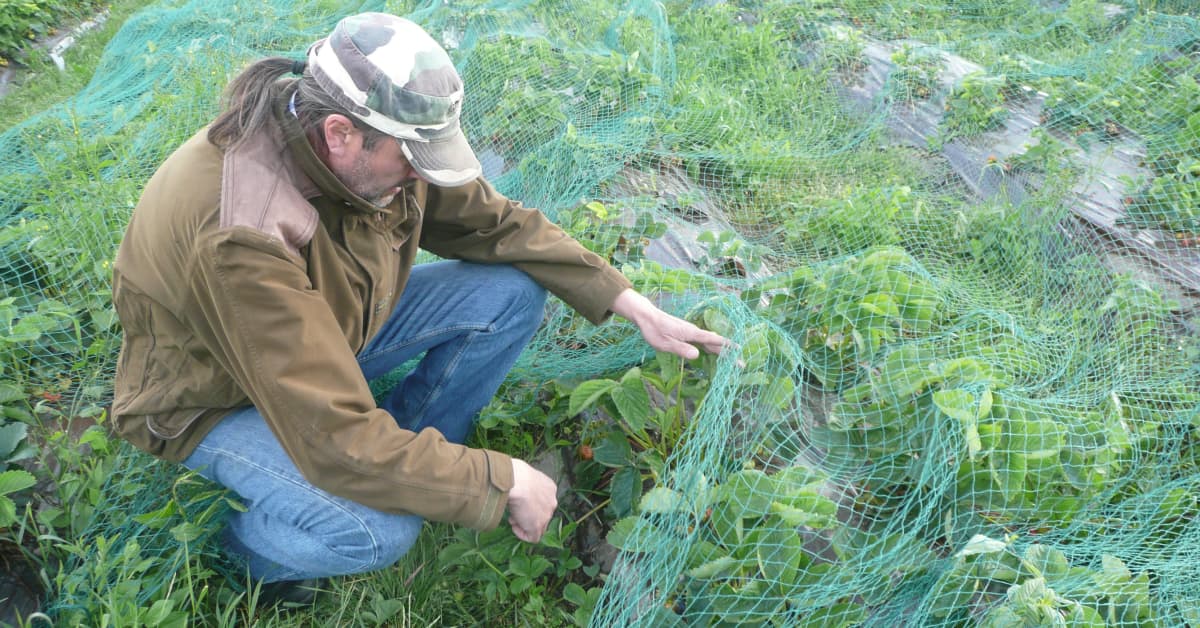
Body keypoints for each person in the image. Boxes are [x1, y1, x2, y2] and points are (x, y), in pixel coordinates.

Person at [109, 11, 725, 602]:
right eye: (410, 161)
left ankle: (414, 457)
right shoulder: (241, 233)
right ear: (340, 133)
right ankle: (248, 558)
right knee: (378, 529)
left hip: (325, 333)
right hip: (215, 395)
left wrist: (630, 302)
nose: (418, 177)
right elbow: (331, 437)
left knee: (507, 293)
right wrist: (501, 478)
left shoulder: (370, 145)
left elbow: (496, 223)